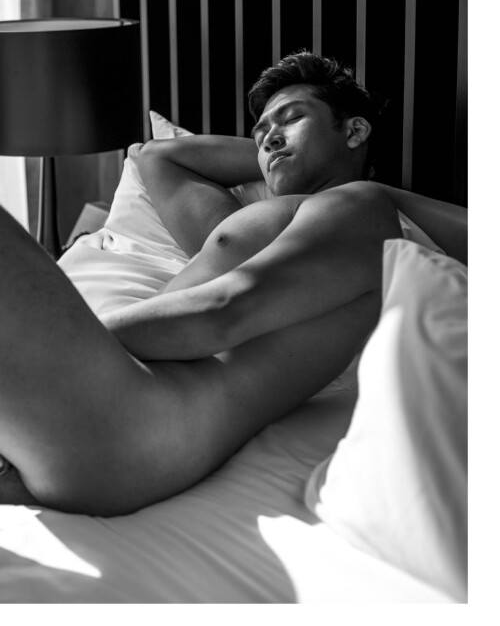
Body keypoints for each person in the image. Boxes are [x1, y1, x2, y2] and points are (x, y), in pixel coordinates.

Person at [0, 52, 402, 516]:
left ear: (355, 131)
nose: (270, 137)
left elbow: (223, 313)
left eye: (292, 118)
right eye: (260, 133)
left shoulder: (362, 208)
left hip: (140, 417)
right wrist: (278, 151)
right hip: (116, 431)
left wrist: (71, 349)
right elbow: (156, 156)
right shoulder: (268, 220)